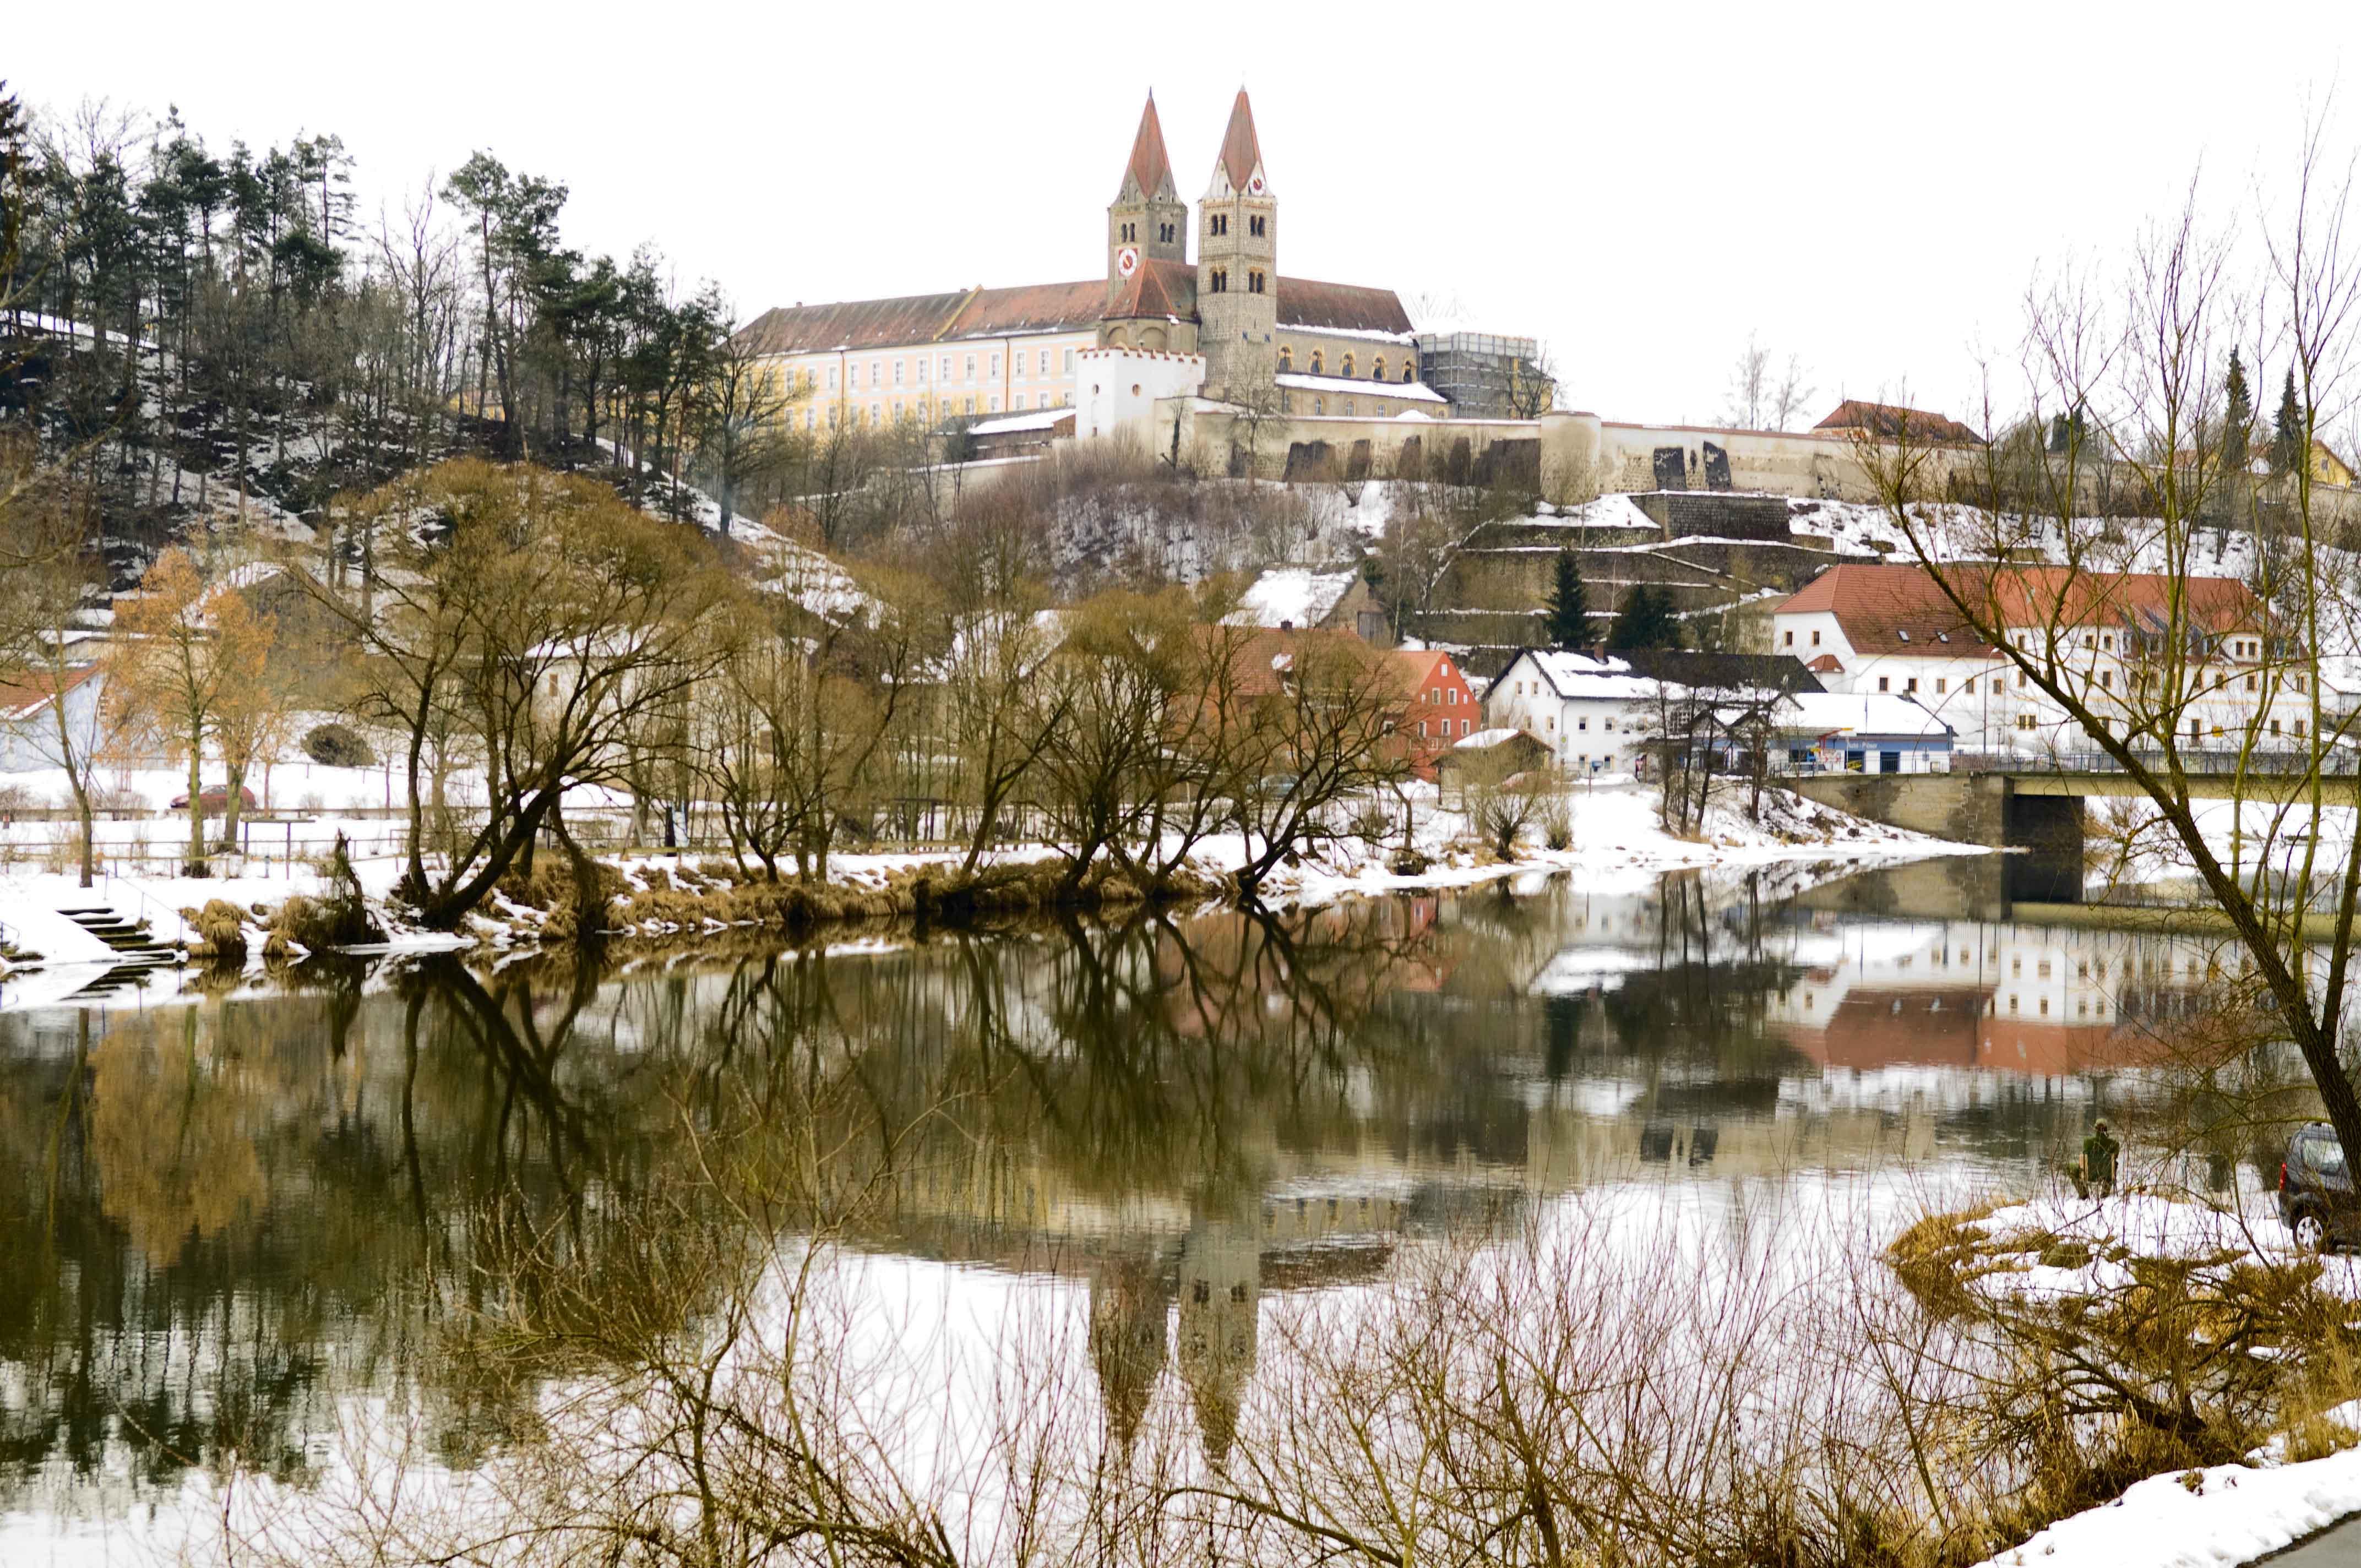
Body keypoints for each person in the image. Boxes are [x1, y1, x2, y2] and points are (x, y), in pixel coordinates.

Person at [2081, 1118, 2120, 1197]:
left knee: (2071, 1167)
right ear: (2106, 1129)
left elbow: (2085, 1153)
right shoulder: (2114, 1143)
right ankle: (2105, 1193)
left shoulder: (2087, 1142)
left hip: (2090, 1174)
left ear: (2095, 1128)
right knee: (2112, 1164)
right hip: (2107, 1175)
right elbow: (2115, 1157)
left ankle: (2083, 1193)